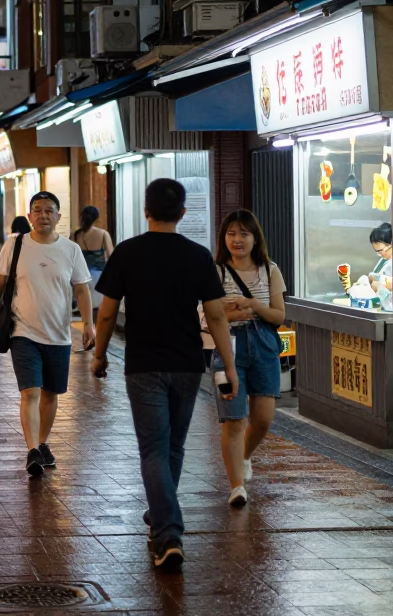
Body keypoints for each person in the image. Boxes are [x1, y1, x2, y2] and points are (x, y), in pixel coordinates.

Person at [91, 178, 236, 572]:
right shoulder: (197, 255)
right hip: (189, 363)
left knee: (154, 449)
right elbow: (217, 314)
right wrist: (230, 365)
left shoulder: (127, 252)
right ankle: (161, 515)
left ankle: (168, 532)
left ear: (145, 210)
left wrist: (99, 354)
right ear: (183, 213)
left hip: (143, 363)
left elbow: (106, 312)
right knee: (173, 447)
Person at [0, 192, 94, 477]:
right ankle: (32, 450)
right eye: (38, 210)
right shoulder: (15, 245)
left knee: (51, 394)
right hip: (23, 333)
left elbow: (81, 289)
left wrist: (89, 324)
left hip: (59, 335)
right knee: (29, 392)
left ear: (58, 217)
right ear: (29, 216)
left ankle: (42, 443)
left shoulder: (70, 250)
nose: (43, 215)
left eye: (49, 211)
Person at [204, 210, 285, 508]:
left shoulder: (270, 270)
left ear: (255, 238)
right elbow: (205, 317)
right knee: (234, 421)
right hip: (228, 348)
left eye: (244, 234)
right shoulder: (215, 272)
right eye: (231, 234)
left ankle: (246, 456)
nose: (237, 240)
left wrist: (250, 303)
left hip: (264, 346)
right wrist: (235, 313)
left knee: (263, 419)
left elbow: (279, 315)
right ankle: (236, 486)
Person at [72, 205, 114, 333]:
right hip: (98, 276)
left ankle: (87, 330)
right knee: (96, 308)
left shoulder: (76, 235)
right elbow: (111, 255)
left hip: (81, 276)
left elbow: (70, 255)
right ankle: (96, 333)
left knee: (84, 306)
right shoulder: (103, 234)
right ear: (97, 218)